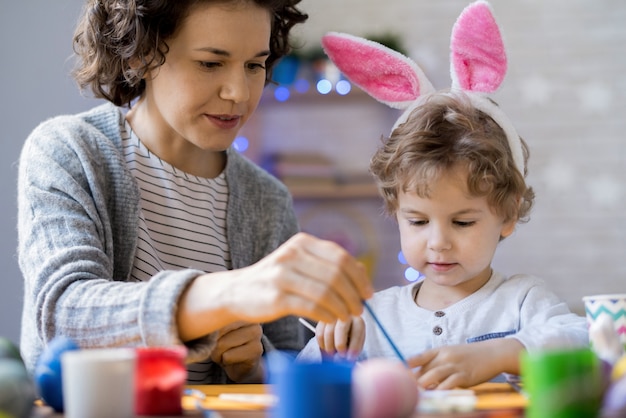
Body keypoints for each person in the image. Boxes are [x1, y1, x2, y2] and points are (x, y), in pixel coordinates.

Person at [17, 0, 373, 384]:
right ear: (141, 56)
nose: (238, 91)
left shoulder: (266, 199)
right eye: (210, 63)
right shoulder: (71, 151)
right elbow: (62, 315)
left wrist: (254, 363)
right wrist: (229, 293)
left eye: (254, 65)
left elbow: (285, 361)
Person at [297, 2, 589, 390]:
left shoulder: (522, 302)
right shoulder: (372, 317)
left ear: (508, 214)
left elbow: (586, 342)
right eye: (417, 221)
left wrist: (501, 353)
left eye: (463, 221)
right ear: (395, 210)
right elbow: (297, 380)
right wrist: (332, 353)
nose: (438, 242)